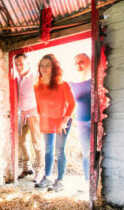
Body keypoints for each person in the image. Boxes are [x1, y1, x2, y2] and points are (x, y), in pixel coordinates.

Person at [34, 54, 75, 192]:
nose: (44, 68)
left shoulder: (62, 84)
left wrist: (64, 121)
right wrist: (42, 118)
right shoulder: (37, 85)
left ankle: (60, 180)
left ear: (54, 67)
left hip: (62, 122)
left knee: (59, 150)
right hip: (46, 122)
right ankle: (47, 177)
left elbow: (72, 104)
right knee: (48, 150)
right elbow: (39, 106)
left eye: (47, 65)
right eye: (42, 65)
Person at [14, 53, 44, 183]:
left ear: (27, 63)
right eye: (16, 64)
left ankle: (40, 171)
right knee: (21, 141)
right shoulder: (15, 78)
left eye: (21, 64)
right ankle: (26, 167)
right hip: (21, 114)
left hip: (33, 113)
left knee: (37, 143)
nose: (18, 67)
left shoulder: (35, 76)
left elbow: (43, 94)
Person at [69, 53, 91, 181]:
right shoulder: (72, 83)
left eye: (81, 61)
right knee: (86, 153)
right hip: (82, 123)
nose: (78, 64)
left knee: (100, 152)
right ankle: (88, 182)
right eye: (76, 62)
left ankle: (98, 184)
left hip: (97, 122)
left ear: (89, 62)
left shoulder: (96, 79)